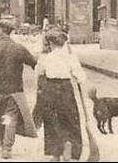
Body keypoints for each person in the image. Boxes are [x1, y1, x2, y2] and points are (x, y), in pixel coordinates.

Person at [0, 18, 38, 160]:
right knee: (10, 117)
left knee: (0, 117)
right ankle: (7, 148)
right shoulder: (19, 48)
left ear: (1, 30)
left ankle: (3, 144)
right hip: (15, 91)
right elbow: (34, 63)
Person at [34, 29, 87, 161]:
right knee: (70, 118)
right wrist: (79, 80)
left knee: (52, 121)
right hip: (66, 89)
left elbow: (38, 73)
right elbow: (81, 77)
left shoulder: (45, 57)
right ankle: (69, 144)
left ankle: (56, 154)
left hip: (50, 89)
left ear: (51, 43)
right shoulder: (71, 57)